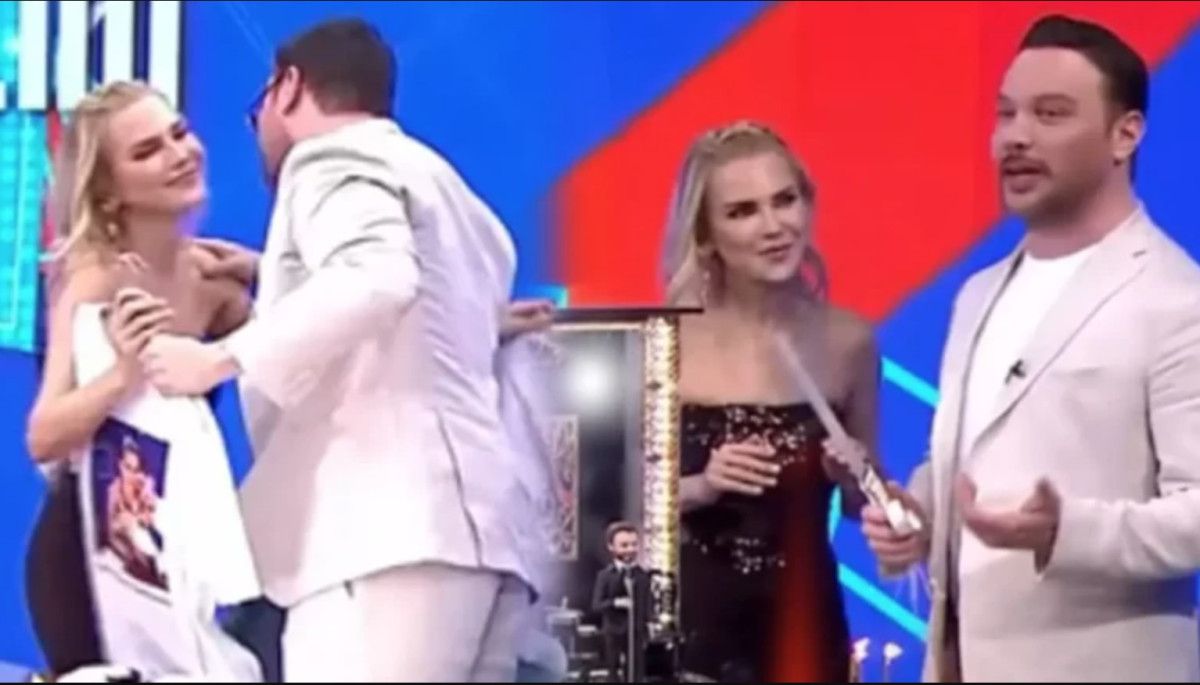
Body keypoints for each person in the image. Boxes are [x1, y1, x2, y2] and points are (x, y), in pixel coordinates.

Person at [134, 19, 538, 681]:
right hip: (483, 544)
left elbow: (378, 277)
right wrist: (273, 272)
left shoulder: (328, 159)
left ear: (289, 87)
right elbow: (418, 308)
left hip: (385, 542)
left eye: (259, 107)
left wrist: (215, 359)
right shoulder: (447, 188)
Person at [855, 15, 1200, 682]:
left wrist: (1064, 531)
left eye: (1050, 114)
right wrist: (919, 514)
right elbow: (975, 460)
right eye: (1006, 113)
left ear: (1125, 134)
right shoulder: (978, 294)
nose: (1016, 136)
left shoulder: (1176, 300)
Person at [23, 80, 253, 678]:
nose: (180, 155)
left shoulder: (214, 280)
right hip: (89, 552)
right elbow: (44, 436)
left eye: (179, 134)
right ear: (108, 191)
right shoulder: (94, 281)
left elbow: (298, 343)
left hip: (177, 551)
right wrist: (124, 374)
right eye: (147, 151)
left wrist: (264, 269)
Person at [660, 121, 882, 682]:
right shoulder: (664, 345)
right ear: (705, 235)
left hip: (802, 636)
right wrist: (701, 486)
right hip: (686, 642)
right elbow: (610, 514)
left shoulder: (848, 343)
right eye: (742, 212)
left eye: (785, 201)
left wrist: (852, 476)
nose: (774, 226)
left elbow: (863, 502)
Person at [590, 522, 650, 682]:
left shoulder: (642, 575)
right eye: (624, 545)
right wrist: (616, 603)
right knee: (613, 673)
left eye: (634, 544)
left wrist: (647, 626)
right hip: (613, 634)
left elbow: (646, 605)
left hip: (636, 633)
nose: (630, 549)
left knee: (636, 672)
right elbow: (596, 605)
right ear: (611, 546)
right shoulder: (605, 576)